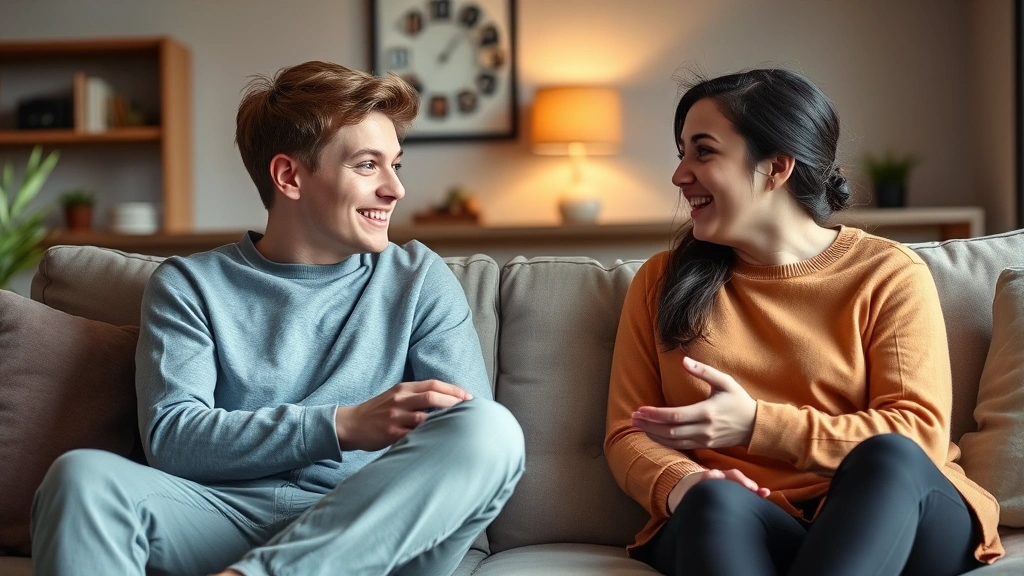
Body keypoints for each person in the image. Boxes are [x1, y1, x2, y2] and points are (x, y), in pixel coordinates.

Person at [30, 61, 525, 576]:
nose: (395, 190)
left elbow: (464, 438)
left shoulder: (418, 278)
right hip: (221, 517)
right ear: (289, 176)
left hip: (374, 530)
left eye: (394, 165)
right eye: (366, 165)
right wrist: (342, 425)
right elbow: (174, 439)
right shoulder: (189, 286)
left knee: (490, 430)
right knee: (80, 477)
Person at [604, 68, 1003, 576]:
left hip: (894, 514)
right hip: (752, 521)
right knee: (712, 502)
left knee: (888, 457)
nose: (680, 174)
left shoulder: (886, 273)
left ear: (775, 167)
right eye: (681, 152)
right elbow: (627, 432)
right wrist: (683, 481)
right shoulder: (662, 281)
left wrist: (755, 424)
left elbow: (917, 434)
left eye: (703, 151)